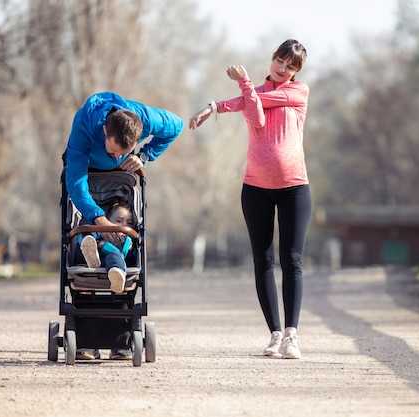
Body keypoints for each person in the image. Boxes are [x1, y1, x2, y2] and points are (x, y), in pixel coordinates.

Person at [189, 39, 311, 359]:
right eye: (280, 62)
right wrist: (214, 106)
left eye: (290, 67)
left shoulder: (298, 92)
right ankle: (273, 334)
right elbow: (252, 110)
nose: (282, 70)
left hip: (294, 187)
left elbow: (256, 106)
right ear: (272, 59)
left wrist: (240, 88)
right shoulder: (252, 93)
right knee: (263, 261)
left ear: (297, 72)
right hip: (255, 188)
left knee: (292, 260)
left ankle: (291, 336)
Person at [66, 91, 184, 361]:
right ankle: (92, 249)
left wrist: (145, 155)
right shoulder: (84, 126)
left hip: (123, 185)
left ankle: (111, 263)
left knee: (123, 238)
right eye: (113, 150)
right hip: (88, 173)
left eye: (124, 152)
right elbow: (75, 180)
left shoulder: (141, 117)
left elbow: (176, 125)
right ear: (105, 131)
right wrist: (97, 216)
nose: (118, 156)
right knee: (88, 231)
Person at [80, 200, 135, 294]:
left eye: (129, 223)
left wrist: (129, 249)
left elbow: (133, 258)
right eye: (119, 221)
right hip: (92, 256)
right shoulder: (101, 233)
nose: (124, 225)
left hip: (112, 258)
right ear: (108, 221)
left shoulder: (128, 239)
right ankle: (91, 250)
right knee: (87, 230)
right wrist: (99, 244)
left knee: (115, 256)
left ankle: (117, 274)